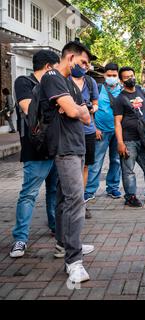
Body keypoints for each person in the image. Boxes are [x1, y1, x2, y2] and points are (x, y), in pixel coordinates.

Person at [40, 41, 96, 283]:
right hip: (65, 149)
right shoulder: (52, 75)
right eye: (83, 62)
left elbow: (85, 115)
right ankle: (73, 261)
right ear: (70, 57)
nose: (86, 67)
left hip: (77, 146)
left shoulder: (71, 85)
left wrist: (77, 109)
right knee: (76, 201)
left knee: (65, 200)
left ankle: (65, 245)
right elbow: (76, 113)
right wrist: (76, 110)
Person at [9, 50, 60, 258]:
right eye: (56, 69)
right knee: (29, 194)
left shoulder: (54, 86)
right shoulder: (24, 82)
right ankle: (20, 239)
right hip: (36, 148)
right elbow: (29, 108)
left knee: (55, 192)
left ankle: (57, 228)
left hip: (56, 146)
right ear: (49, 67)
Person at [113, 66, 145, 207]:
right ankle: (130, 197)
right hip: (128, 139)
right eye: (126, 77)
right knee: (128, 171)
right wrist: (120, 142)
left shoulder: (140, 91)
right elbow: (117, 122)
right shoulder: (120, 98)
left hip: (144, 138)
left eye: (132, 75)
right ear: (121, 80)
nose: (131, 78)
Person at [85, 63, 122, 201]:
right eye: (109, 75)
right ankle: (89, 190)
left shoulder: (122, 89)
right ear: (104, 75)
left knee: (116, 161)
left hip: (118, 132)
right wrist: (94, 128)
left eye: (114, 75)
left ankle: (113, 188)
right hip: (101, 131)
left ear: (118, 76)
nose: (111, 78)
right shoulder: (98, 88)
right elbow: (89, 109)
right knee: (96, 162)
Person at [69, 61, 99, 219]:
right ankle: (69, 204)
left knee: (85, 166)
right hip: (69, 131)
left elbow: (96, 104)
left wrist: (91, 108)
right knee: (70, 167)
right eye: (83, 62)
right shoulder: (64, 79)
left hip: (88, 131)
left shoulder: (90, 81)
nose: (85, 66)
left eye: (87, 63)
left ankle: (81, 202)